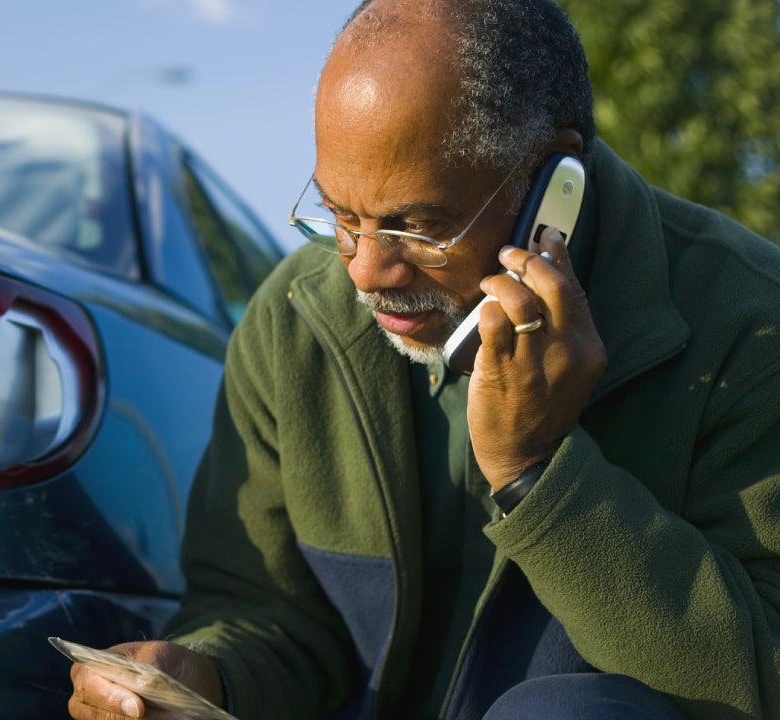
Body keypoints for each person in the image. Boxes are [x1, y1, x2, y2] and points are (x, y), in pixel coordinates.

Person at [68, 0, 780, 717]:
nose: (364, 272)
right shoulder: (295, 324)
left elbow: (759, 676)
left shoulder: (751, 329)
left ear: (554, 183)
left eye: (417, 226)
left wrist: (538, 477)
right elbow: (266, 613)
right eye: (340, 216)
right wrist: (204, 675)